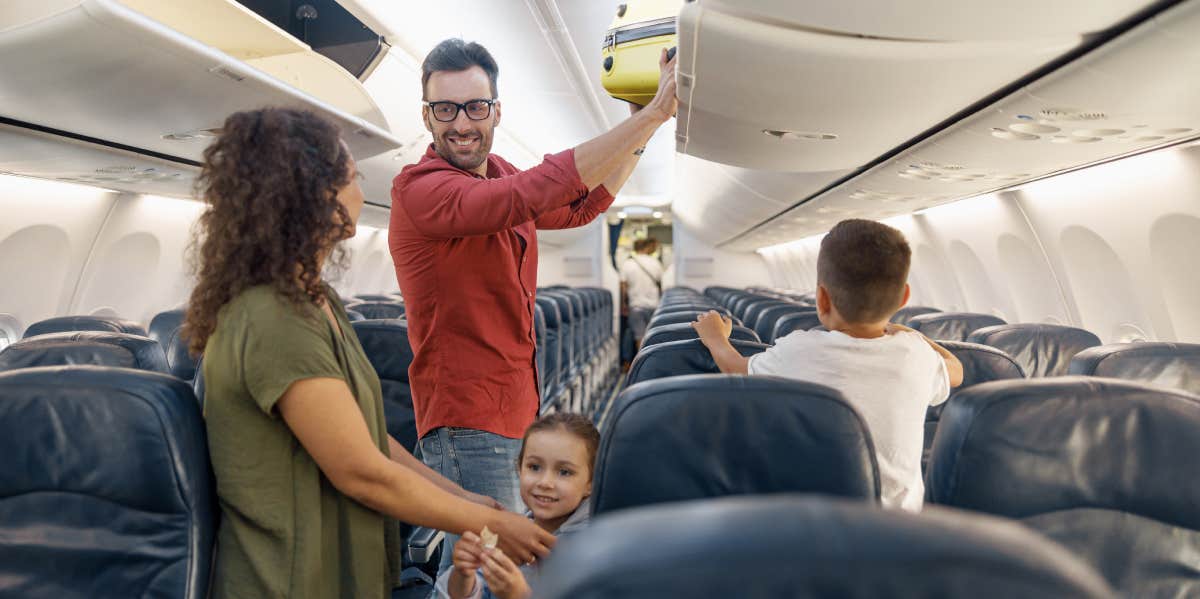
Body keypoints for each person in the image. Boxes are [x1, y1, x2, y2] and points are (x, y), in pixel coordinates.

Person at [184, 107, 554, 599]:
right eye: (353, 178)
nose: (362, 192)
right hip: (286, 580)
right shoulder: (272, 318)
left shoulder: (313, 300)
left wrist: (460, 496)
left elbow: (369, 436)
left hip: (335, 571)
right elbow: (360, 471)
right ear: (313, 196)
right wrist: (488, 522)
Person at [388, 37, 676, 575]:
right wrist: (653, 112)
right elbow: (528, 195)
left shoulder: (496, 171)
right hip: (466, 418)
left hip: (518, 405)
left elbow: (580, 207)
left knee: (495, 571)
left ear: (496, 109)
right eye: (445, 109)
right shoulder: (419, 189)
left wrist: (646, 125)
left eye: (476, 106)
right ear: (427, 116)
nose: (461, 123)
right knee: (476, 573)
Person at [692, 219, 964, 512]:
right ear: (904, 298)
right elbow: (956, 370)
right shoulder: (916, 355)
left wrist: (715, 337)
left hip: (815, 522)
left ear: (821, 299)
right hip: (898, 531)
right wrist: (910, 333)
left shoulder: (798, 349)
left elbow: (736, 369)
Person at [437, 413, 600, 599]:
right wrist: (464, 576)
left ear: (591, 483)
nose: (545, 482)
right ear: (519, 469)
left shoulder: (594, 548)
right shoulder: (510, 536)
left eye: (564, 472)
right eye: (534, 467)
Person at [621, 237, 663, 346]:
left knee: (639, 337)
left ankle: (641, 361)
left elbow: (623, 287)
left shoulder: (628, 263)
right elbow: (661, 284)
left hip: (636, 305)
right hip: (654, 305)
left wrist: (623, 304)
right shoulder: (655, 262)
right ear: (646, 247)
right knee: (654, 337)